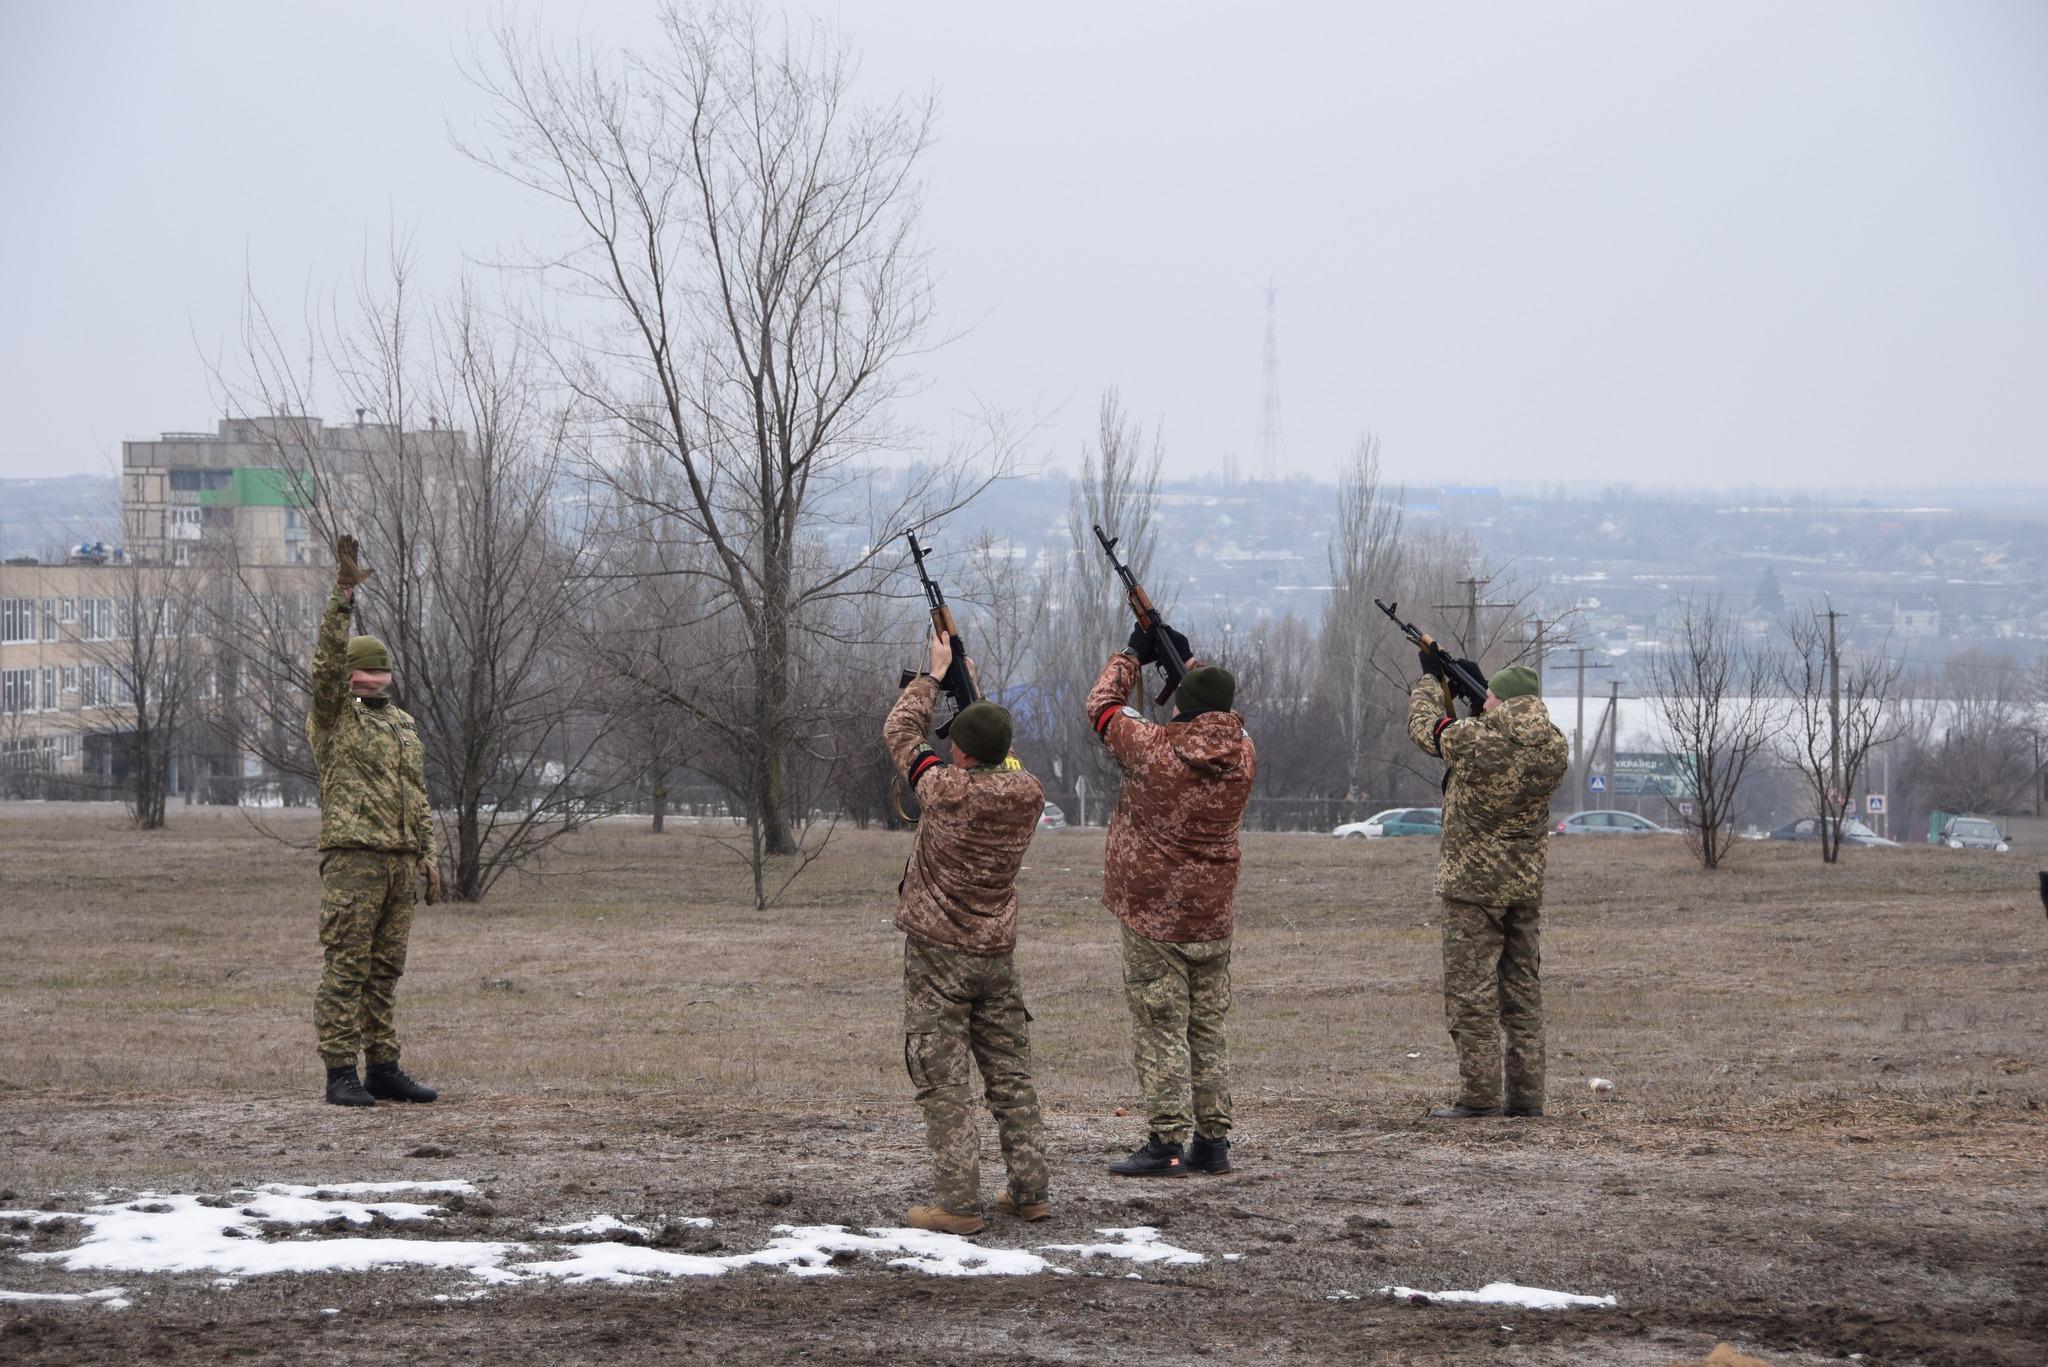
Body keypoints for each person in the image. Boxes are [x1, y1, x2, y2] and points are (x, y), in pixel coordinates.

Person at [883, 628, 1050, 1235]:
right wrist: (970, 692)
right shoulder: (1028, 794)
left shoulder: (945, 790)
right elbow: (999, 757)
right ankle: (1030, 1191)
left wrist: (932, 678)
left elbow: (902, 734)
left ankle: (957, 1205)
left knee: (942, 1079)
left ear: (960, 754)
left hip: (937, 957)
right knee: (1010, 1076)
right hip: (996, 954)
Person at [1087, 626, 1255, 1177]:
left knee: (1161, 1025)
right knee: (1207, 1027)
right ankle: (1214, 1142)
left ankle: (1166, 1142)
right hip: (1213, 914)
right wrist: (1183, 659)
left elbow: (1103, 705)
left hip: (1153, 913)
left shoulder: (1153, 749)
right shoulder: (1245, 752)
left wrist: (1133, 655)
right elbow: (1210, 701)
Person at [310, 535, 440, 1108]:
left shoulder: (403, 725)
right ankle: (340, 1072)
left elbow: (417, 794)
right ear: (355, 673)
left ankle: (382, 1066)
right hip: (354, 860)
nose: (381, 675)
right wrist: (342, 598)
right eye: (372, 669)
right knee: (347, 968)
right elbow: (325, 665)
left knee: (385, 972)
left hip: (398, 863)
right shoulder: (336, 716)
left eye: (384, 669)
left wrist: (427, 853)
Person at [1405, 660, 1568, 1119]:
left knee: (1471, 995)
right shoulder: (1555, 745)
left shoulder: (1473, 740)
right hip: (1524, 887)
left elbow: (1423, 725)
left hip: (1472, 888)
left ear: (1503, 701)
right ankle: (1526, 1097)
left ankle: (1478, 1097)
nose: (1485, 701)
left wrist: (1430, 681)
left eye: (1490, 696)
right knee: (1522, 993)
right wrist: (1480, 699)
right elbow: (1504, 735)